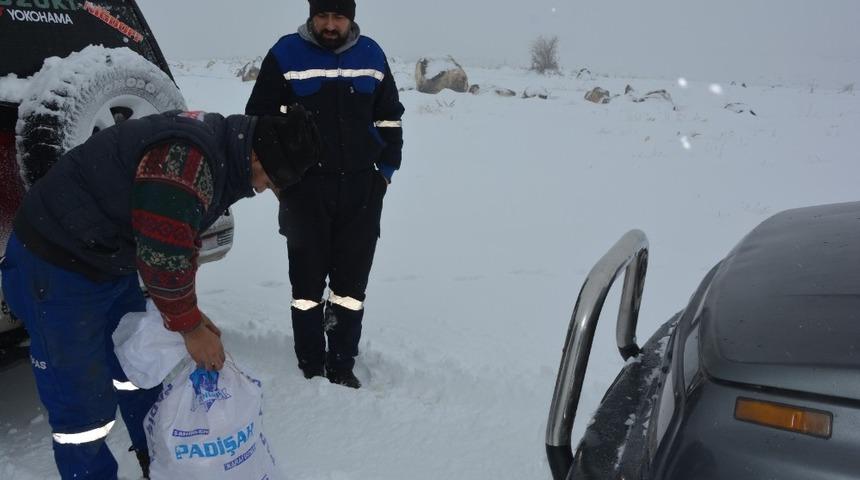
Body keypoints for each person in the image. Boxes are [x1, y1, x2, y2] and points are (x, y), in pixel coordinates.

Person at [0, 108, 320, 480]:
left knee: (139, 366)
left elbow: (181, 239)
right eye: (271, 180)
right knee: (83, 406)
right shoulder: (186, 161)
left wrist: (191, 314)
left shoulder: (222, 151)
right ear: (256, 155)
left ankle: (161, 465)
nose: (265, 189)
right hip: (56, 263)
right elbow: (163, 257)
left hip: (107, 257)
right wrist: (189, 327)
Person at [246, 0, 404, 389]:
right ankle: (311, 362)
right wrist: (281, 180)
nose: (329, 25)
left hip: (361, 190)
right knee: (307, 287)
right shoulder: (285, 53)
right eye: (322, 15)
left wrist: (383, 174)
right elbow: (259, 120)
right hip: (304, 190)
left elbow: (389, 117)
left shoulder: (372, 54)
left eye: (338, 16)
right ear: (311, 15)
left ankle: (342, 362)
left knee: (350, 288)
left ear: (350, 17)